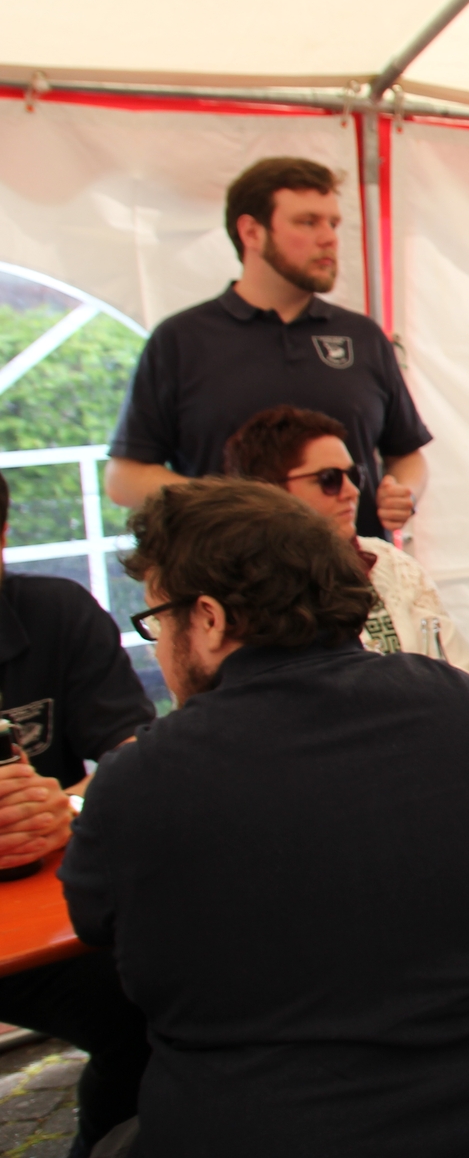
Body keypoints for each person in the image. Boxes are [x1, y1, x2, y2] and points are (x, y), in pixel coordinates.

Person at [63, 479, 469, 1156]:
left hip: (285, 1130)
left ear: (208, 618)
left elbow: (95, 920)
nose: (159, 645)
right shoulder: (459, 703)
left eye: (159, 620)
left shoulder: (146, 775)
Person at [105, 157, 431, 540]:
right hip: (230, 568)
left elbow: (407, 454)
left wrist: (403, 492)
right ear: (252, 232)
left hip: (352, 568)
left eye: (333, 223)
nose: (328, 238)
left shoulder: (362, 336)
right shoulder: (181, 339)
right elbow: (124, 478)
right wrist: (229, 503)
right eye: (307, 222)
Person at [0, 471, 153, 1157]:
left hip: (45, 918)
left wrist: (65, 807)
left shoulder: (54, 613)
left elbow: (132, 752)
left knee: (144, 1003)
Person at [224, 405, 469, 671]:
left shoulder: (394, 566)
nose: (352, 491)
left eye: (354, 475)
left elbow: (456, 670)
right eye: (329, 479)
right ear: (269, 491)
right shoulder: (242, 594)